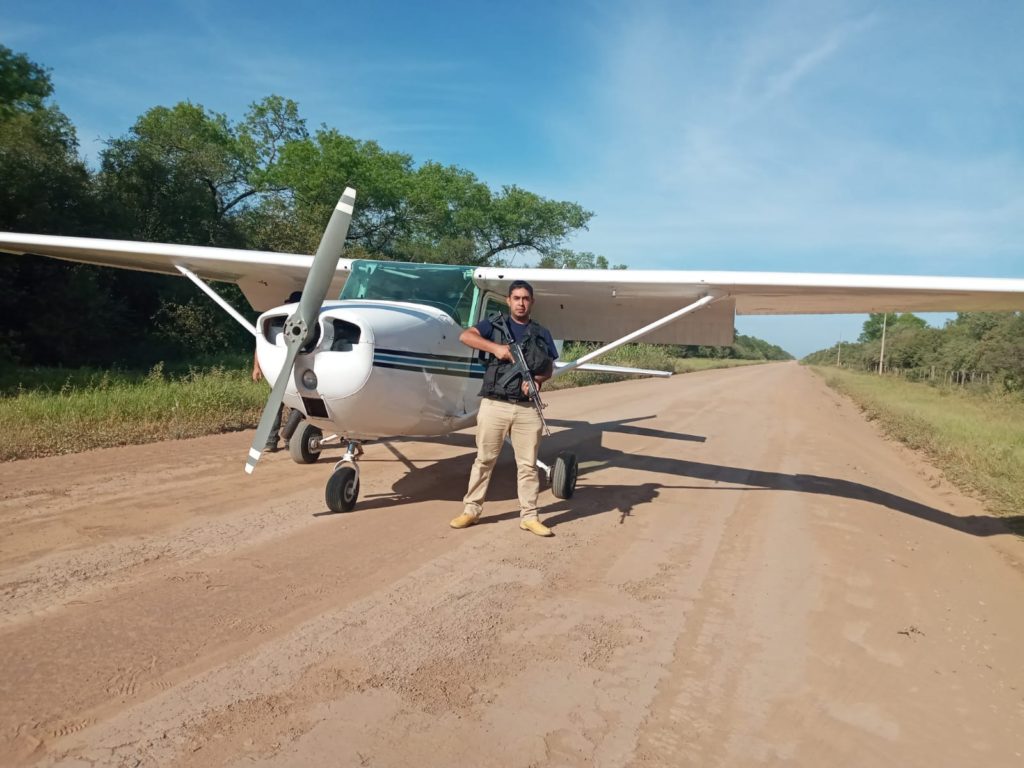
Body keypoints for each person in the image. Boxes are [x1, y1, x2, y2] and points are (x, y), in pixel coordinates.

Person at [450, 280, 558, 537]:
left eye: (526, 298)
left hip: (526, 408)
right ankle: (471, 510)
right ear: (509, 300)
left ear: (532, 302)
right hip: (494, 404)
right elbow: (466, 336)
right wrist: (496, 348)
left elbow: (549, 369)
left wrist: (537, 382)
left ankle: (529, 516)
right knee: (484, 460)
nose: (521, 303)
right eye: (516, 298)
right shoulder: (494, 324)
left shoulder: (541, 333)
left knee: (528, 465)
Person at [252, 290, 303, 453]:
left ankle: (290, 438)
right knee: (275, 406)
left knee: (298, 407)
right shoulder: (272, 319)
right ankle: (271, 440)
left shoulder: (305, 322)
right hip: (277, 370)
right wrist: (257, 367)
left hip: (297, 370)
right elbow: (261, 344)